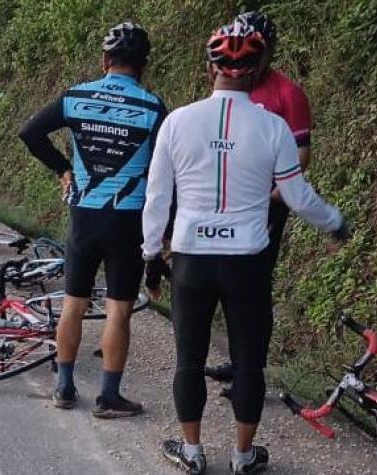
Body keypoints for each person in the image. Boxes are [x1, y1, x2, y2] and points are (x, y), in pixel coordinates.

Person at [142, 23, 349, 474]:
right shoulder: (273, 127)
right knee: (250, 362)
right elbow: (298, 197)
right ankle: (242, 457)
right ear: (258, 70)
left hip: (191, 259)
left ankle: (192, 452)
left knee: (189, 360)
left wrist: (149, 258)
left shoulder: (177, 121)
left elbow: (157, 198)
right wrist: (335, 222)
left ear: (209, 67)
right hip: (248, 262)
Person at [18, 22, 166, 418]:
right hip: (128, 220)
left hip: (84, 216)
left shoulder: (76, 96)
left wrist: (63, 168)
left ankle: (64, 388)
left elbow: (30, 133)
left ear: (105, 60)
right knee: (118, 309)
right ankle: (109, 397)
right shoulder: (154, 108)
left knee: (74, 303)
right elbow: (164, 173)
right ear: (143, 66)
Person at [204, 10, 316, 395]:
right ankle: (238, 361)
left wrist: (272, 197)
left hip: (267, 202)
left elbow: (301, 156)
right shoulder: (230, 81)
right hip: (226, 198)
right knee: (225, 282)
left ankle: (251, 371)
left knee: (254, 287)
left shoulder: (288, 94)